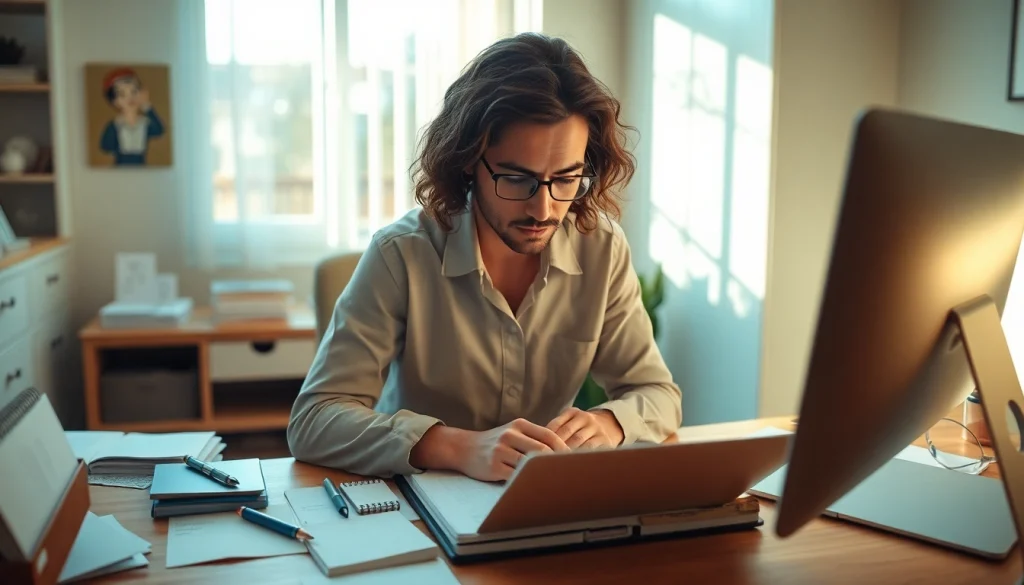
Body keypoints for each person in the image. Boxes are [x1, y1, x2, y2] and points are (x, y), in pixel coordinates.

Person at [287, 32, 681, 481]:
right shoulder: (401, 255)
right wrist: (456, 445)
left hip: (542, 499)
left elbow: (657, 393)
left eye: (567, 179)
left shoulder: (602, 248)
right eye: (517, 179)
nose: (544, 209)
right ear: (469, 160)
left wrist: (609, 423)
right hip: (421, 504)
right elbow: (314, 419)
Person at [98, 67, 166, 166]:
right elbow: (105, 147)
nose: (130, 98)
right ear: (115, 101)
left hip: (141, 164)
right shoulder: (115, 125)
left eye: (134, 92)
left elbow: (159, 131)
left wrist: (147, 107)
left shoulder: (144, 122)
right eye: (122, 94)